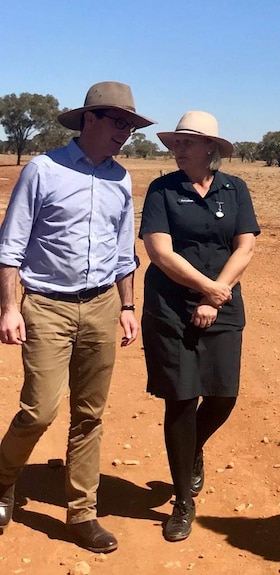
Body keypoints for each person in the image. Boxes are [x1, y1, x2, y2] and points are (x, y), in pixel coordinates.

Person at [0, 81, 154, 553]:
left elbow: (123, 249)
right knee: (39, 409)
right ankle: (3, 480)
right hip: (46, 305)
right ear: (89, 119)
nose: (126, 132)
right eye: (119, 122)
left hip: (103, 304)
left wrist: (128, 306)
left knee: (90, 415)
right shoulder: (42, 170)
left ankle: (81, 512)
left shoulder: (122, 178)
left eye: (131, 124)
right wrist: (9, 307)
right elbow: (10, 246)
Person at [140, 111, 259, 542]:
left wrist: (218, 292)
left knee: (224, 395)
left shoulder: (235, 189)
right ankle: (182, 502)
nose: (178, 148)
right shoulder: (162, 190)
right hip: (171, 306)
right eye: (176, 142)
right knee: (181, 399)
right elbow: (160, 252)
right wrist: (206, 289)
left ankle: (193, 451)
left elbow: (245, 244)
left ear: (211, 147)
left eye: (188, 142)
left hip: (223, 301)